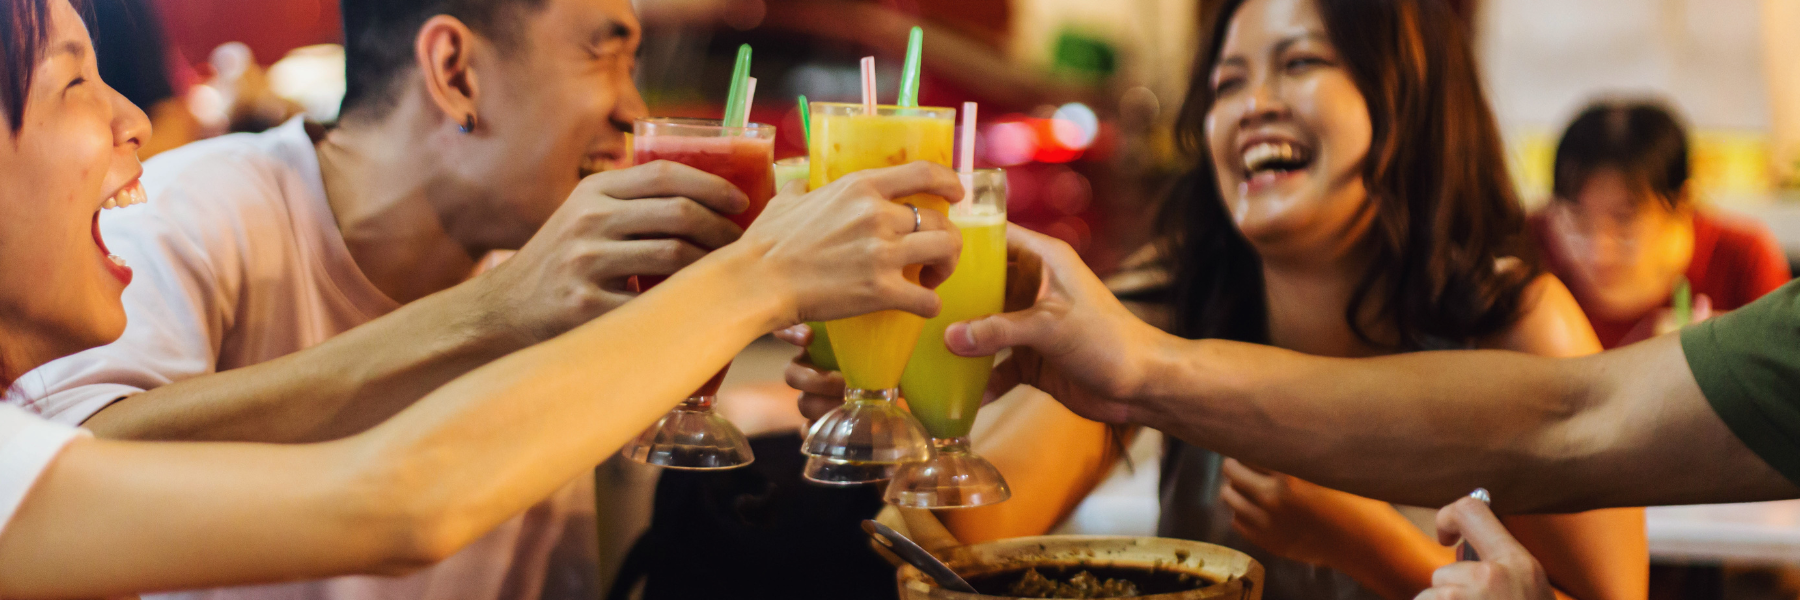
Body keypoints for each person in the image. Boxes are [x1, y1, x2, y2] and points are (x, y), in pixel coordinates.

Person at [0, 0, 966, 596]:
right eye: (605, 53)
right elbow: (83, 465)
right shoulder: (191, 216)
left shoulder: (559, 265)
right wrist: (511, 314)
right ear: (454, 68)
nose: (634, 109)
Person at [785, 0, 1643, 598]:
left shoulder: (1515, 325)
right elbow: (960, 538)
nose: (1252, 106)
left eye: (1300, 63)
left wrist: (1371, 545)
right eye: (1228, 82)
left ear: (1405, 93)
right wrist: (900, 402)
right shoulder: (1169, 298)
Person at [1532, 100, 1790, 348]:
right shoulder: (1525, 249)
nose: (1599, 251)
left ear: (1683, 204)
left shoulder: (1740, 259)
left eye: (1624, 221)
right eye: (1578, 220)